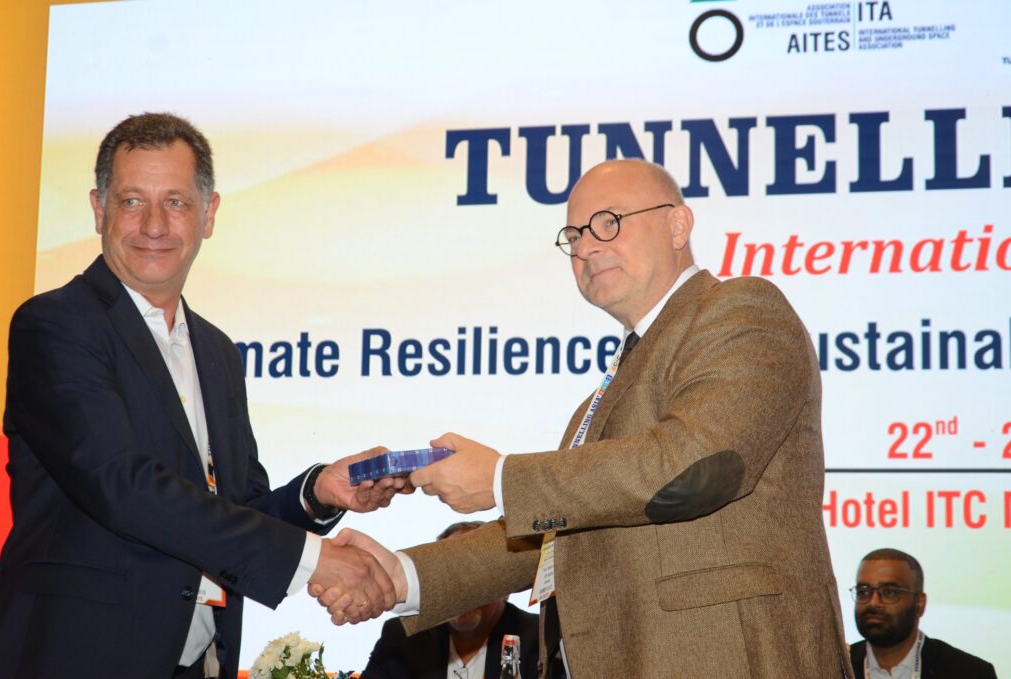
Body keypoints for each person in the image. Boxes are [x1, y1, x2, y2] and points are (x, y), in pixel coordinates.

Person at [332, 158, 854, 678]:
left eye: (609, 222)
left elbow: (697, 467)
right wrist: (403, 576)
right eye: (575, 235)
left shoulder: (740, 309)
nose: (585, 247)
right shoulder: (604, 394)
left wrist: (500, 479)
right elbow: (556, 535)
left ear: (678, 225)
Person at [0, 112, 401, 679]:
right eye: (132, 201)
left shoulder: (217, 352)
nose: (154, 225)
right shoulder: (56, 325)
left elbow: (233, 508)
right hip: (78, 657)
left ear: (208, 215)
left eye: (176, 202)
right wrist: (314, 562)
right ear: (98, 209)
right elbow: (123, 487)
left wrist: (316, 493)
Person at [361, 521, 539, 679]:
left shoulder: (539, 637)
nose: (461, 591)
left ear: (506, 588)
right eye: (449, 580)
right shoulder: (402, 636)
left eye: (474, 575)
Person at [849, 548, 997, 679]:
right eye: (863, 592)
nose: (873, 602)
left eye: (889, 592)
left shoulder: (970, 672)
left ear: (919, 604)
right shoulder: (839, 666)